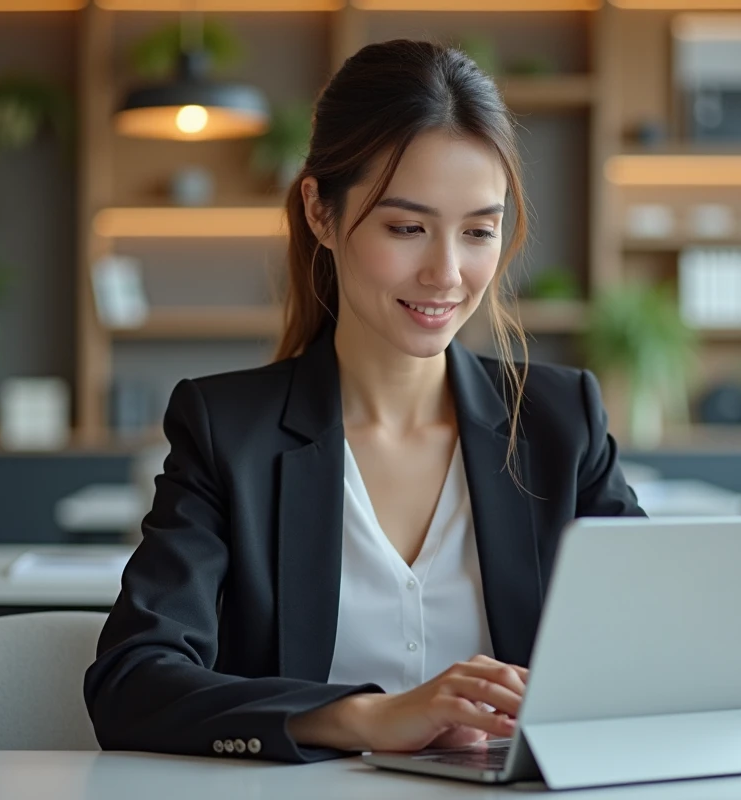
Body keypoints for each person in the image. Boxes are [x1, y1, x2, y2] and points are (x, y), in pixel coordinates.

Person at [83, 38, 644, 765]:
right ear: (320, 211)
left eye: (479, 230)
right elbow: (133, 682)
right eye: (407, 228)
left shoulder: (563, 421)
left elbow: (648, 656)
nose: (447, 273)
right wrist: (364, 718)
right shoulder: (230, 433)